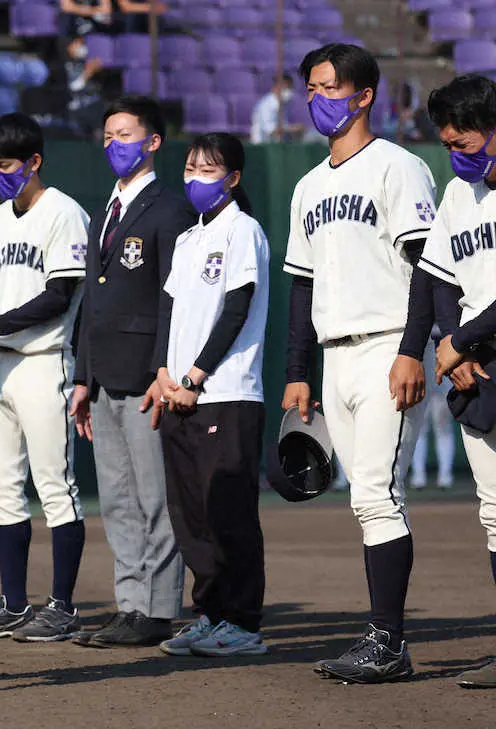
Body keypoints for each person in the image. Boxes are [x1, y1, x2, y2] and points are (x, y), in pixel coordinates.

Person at [281, 43, 437, 683]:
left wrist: (412, 350)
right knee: (364, 500)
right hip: (334, 354)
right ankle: (382, 638)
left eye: (329, 87)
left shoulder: (399, 168)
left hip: (387, 345)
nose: (317, 99)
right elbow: (301, 286)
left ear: (364, 94)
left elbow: (429, 270)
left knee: (377, 493)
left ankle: (389, 642)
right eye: (311, 89)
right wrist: (297, 372)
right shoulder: (307, 185)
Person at [0, 113, 89, 642]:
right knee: (3, 492)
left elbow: (58, 296)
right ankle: (13, 604)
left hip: (44, 360)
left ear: (35, 161)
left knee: (56, 488)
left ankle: (63, 607)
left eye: (6, 165)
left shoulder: (65, 213)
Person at [70, 95, 194, 649]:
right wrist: (82, 376)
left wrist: (163, 368)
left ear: (153, 141)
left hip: (147, 378)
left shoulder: (170, 208)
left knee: (155, 498)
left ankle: (159, 608)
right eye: (108, 137)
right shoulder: (105, 210)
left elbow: (174, 299)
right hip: (102, 377)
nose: (114, 145)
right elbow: (92, 302)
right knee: (118, 500)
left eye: (124, 135)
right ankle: (130, 604)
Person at [153, 132, 269, 657]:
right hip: (177, 394)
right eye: (190, 169)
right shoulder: (187, 239)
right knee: (191, 515)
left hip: (226, 392)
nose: (196, 179)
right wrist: (163, 372)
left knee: (229, 513)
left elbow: (236, 309)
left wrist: (196, 377)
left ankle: (243, 624)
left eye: (208, 170)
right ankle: (211, 614)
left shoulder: (243, 230)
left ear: (233, 178)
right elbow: (169, 308)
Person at [416, 73, 496, 688]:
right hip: (478, 367)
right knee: (495, 513)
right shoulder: (456, 194)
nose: (456, 154)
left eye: (464, 142)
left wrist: (458, 340)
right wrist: (451, 340)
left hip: (478, 349)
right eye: (447, 144)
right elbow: (440, 276)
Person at [409, 326, 455, 490]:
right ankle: (418, 476)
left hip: (444, 373)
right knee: (419, 429)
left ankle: (445, 476)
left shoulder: (446, 314)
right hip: (422, 370)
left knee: (443, 427)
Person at [250, 74, 305, 144]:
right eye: (285, 88)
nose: (288, 91)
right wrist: (292, 129)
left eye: (289, 88)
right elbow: (270, 130)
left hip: (279, 143)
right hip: (262, 145)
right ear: (275, 87)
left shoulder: (285, 103)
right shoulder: (265, 105)